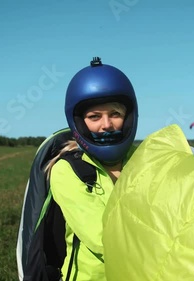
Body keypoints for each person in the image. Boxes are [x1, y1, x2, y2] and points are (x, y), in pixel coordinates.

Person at [43, 57, 138, 281]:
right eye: (94, 117)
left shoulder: (144, 159)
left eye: (115, 114)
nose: (106, 124)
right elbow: (102, 239)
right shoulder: (68, 170)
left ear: (128, 116)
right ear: (79, 122)